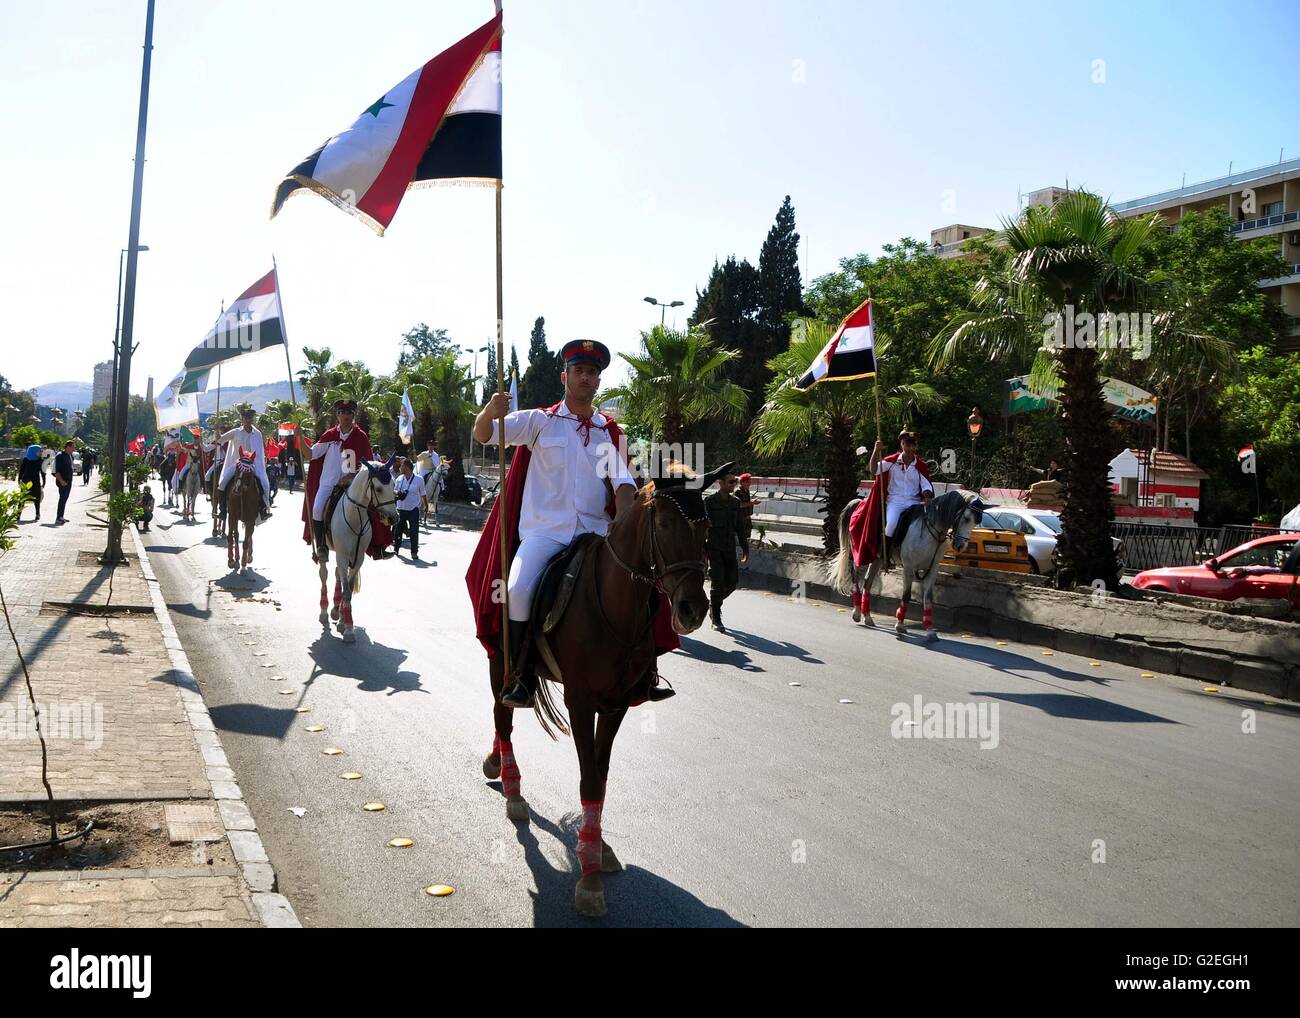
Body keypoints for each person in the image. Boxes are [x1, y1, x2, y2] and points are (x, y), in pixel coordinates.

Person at [470, 338, 673, 709]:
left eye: (592, 373)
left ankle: (646, 670)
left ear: (598, 382)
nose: (585, 378)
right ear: (565, 376)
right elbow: (483, 435)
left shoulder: (610, 432)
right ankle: (521, 675)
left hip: (595, 535)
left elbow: (624, 486)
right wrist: (490, 410)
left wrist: (625, 524)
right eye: (579, 371)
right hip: (544, 534)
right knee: (516, 589)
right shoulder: (539, 421)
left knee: (646, 584)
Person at [302, 399, 391, 560]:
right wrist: (299, 438)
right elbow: (310, 454)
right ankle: (322, 546)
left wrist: (352, 475)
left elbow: (369, 465)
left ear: (353, 415)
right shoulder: (329, 435)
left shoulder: (361, 437)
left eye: (349, 412)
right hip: (328, 485)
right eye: (342, 412)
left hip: (353, 485)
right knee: (316, 509)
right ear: (337, 415)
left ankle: (378, 546)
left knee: (374, 507)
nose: (346, 415)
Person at [860, 430, 934, 571]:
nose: (911, 449)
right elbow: (873, 469)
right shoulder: (891, 461)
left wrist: (926, 496)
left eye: (913, 446)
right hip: (895, 502)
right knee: (891, 524)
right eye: (908, 445)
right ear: (902, 444)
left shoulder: (920, 466)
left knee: (926, 524)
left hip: (914, 502)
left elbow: (926, 485)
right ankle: (885, 558)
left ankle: (924, 556)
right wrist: (876, 450)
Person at [704, 470, 750, 632]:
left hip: (729, 548)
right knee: (717, 582)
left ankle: (713, 604)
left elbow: (740, 527)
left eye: (735, 482)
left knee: (732, 583)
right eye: (731, 482)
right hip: (714, 548)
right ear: (720, 483)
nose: (734, 485)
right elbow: (702, 527)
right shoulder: (709, 502)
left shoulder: (735, 502)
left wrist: (745, 549)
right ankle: (716, 617)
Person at [215, 407, 273, 521]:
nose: (247, 419)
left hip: (253, 465)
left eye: (250, 417)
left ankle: (264, 509)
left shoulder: (258, 434)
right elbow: (220, 440)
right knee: (222, 484)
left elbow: (260, 452)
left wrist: (260, 466)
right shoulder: (235, 432)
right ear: (242, 419)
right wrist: (217, 431)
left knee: (265, 484)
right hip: (237, 465)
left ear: (252, 419)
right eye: (245, 417)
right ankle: (222, 511)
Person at [392, 457, 425, 560]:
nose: (400, 467)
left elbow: (423, 494)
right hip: (401, 509)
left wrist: (426, 505)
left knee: (414, 531)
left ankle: (414, 552)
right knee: (398, 531)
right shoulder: (399, 479)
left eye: (402, 466)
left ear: (407, 467)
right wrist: (398, 493)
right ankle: (396, 549)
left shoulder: (419, 479)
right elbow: (394, 491)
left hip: (413, 509)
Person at [18, 444, 45, 522]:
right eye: (40, 451)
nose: (41, 452)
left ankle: (37, 514)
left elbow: (43, 472)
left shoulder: (40, 460)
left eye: (41, 451)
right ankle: (18, 514)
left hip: (36, 481)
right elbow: (21, 471)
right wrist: (19, 480)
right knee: (22, 499)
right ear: (34, 451)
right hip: (25, 481)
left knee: (37, 498)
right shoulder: (26, 459)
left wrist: (44, 482)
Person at [53, 441, 75, 524]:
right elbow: (56, 471)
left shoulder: (70, 456)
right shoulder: (60, 456)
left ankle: (61, 516)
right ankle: (58, 517)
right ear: (68, 447)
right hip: (62, 481)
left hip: (69, 481)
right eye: (73, 447)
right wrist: (61, 481)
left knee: (65, 499)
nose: (74, 449)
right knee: (62, 499)